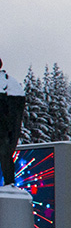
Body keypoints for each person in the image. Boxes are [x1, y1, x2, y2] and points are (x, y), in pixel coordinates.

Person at [0, 58, 25, 187]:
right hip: (6, 130)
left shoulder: (8, 83)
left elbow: (15, 109)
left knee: (5, 156)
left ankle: (9, 183)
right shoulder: (9, 82)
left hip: (4, 131)